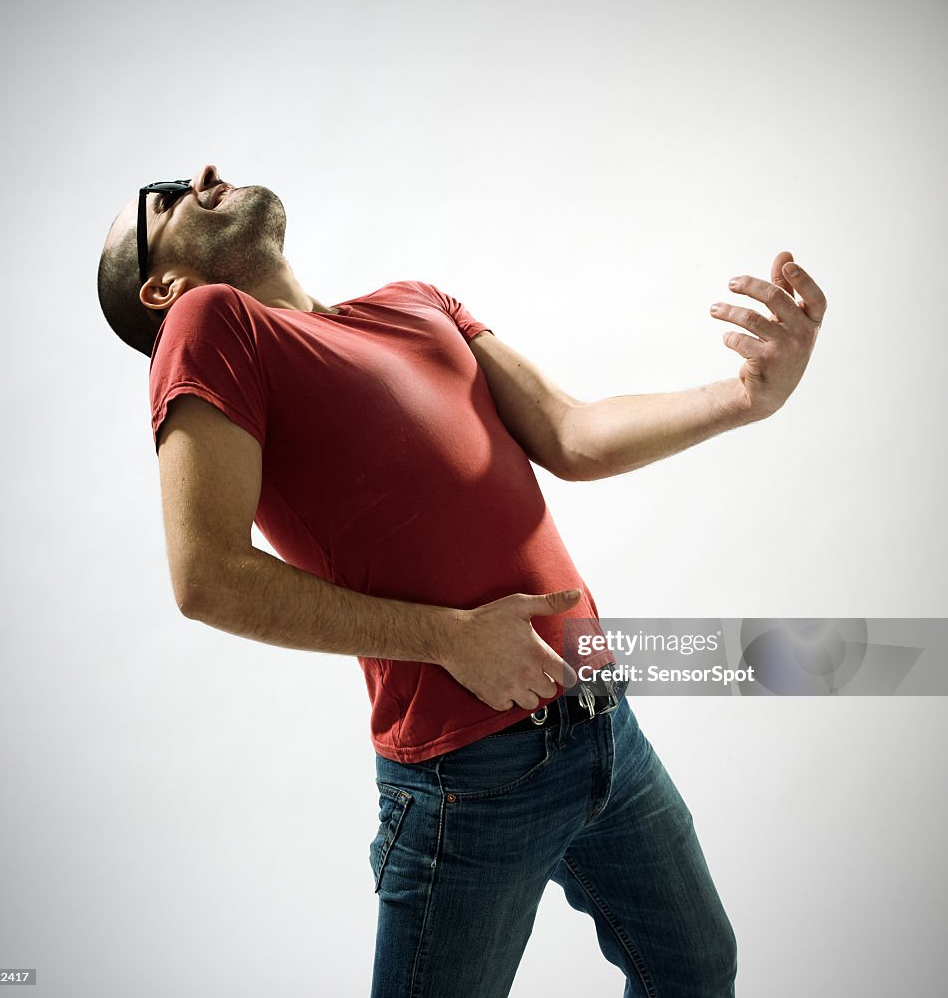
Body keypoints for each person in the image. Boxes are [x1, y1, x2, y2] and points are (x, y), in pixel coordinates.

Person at [97, 164, 827, 997]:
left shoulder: (415, 301)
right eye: (164, 197)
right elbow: (207, 577)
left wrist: (744, 397)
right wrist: (447, 637)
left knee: (695, 971)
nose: (204, 173)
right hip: (470, 783)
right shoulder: (212, 321)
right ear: (163, 287)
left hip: (604, 728)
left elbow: (569, 431)